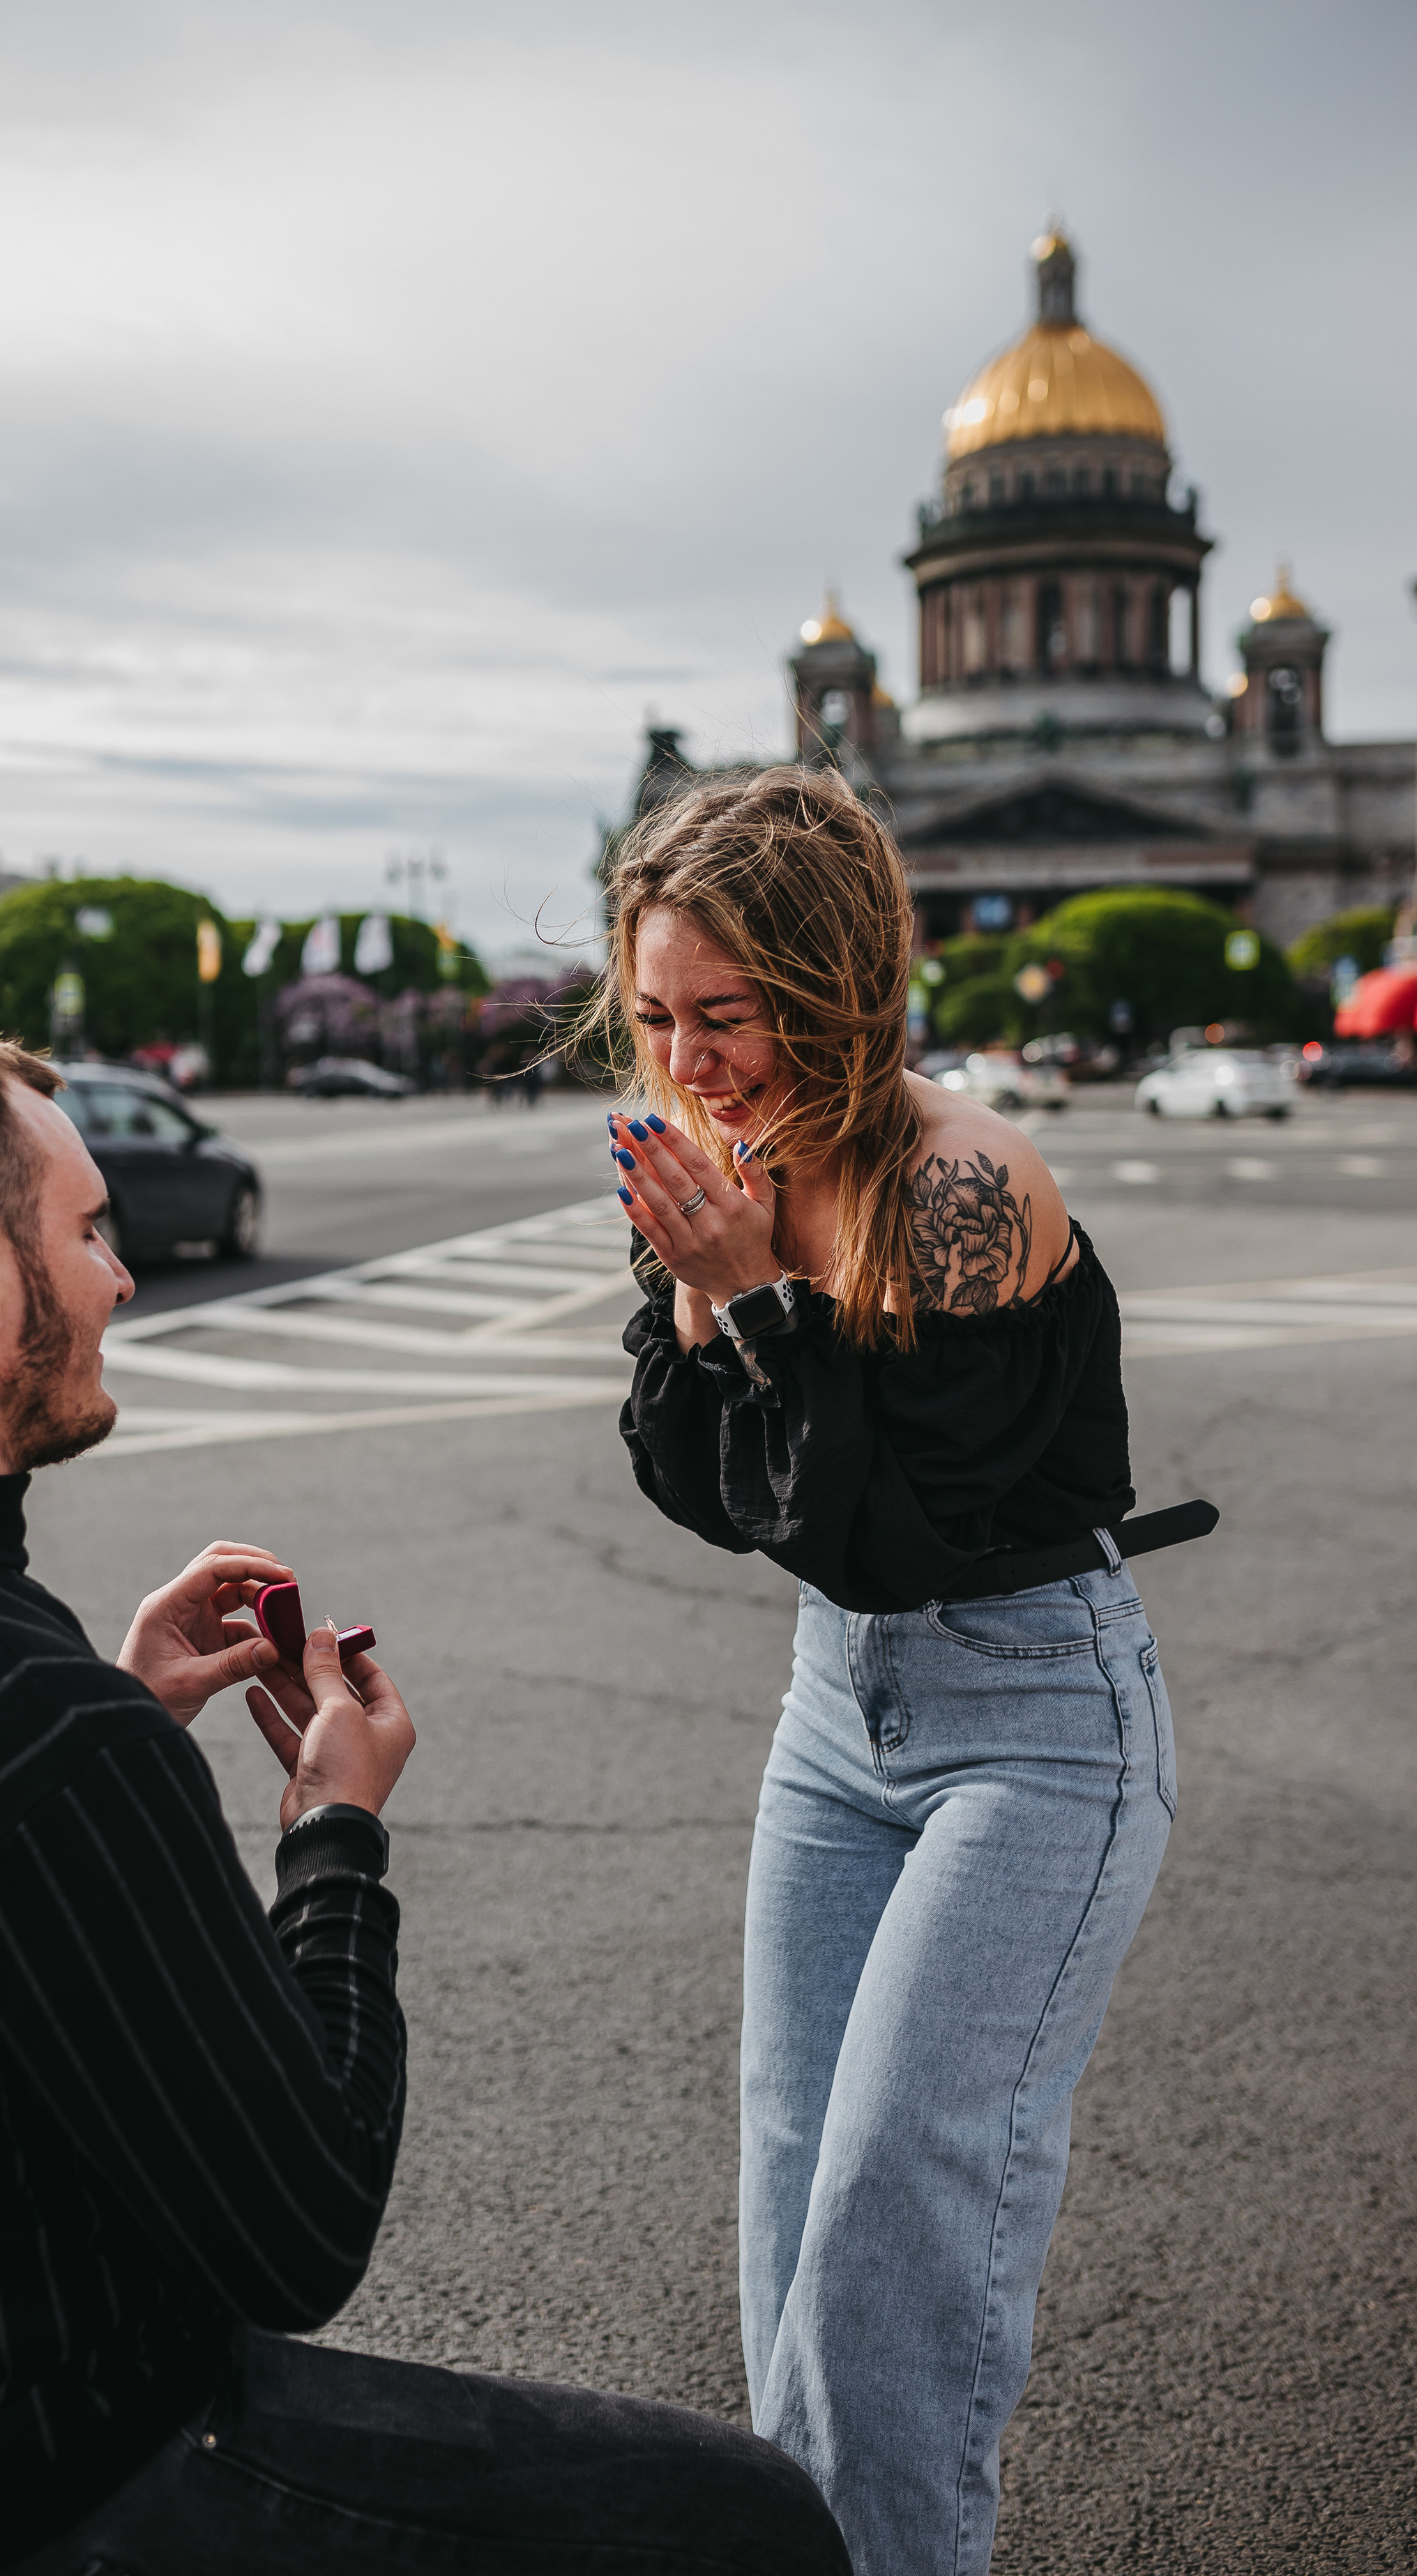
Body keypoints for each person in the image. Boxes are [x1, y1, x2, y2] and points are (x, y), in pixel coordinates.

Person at [0, 1009, 844, 2576]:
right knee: (745, 2521)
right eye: (85, 1234)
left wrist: (117, 1712)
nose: (119, 1276)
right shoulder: (42, 1737)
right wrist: (332, 1833)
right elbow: (301, 2230)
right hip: (65, 2478)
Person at [597, 768, 1181, 2576]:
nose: (687, 1063)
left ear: (836, 987)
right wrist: (708, 1307)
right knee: (789, 2199)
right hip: (835, 1709)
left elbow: (895, 1530)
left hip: (1034, 1721)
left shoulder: (965, 1191)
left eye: (727, 1016)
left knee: (889, 2233)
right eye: (652, 1019)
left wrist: (763, 1308)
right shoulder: (722, 1173)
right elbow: (712, 1497)